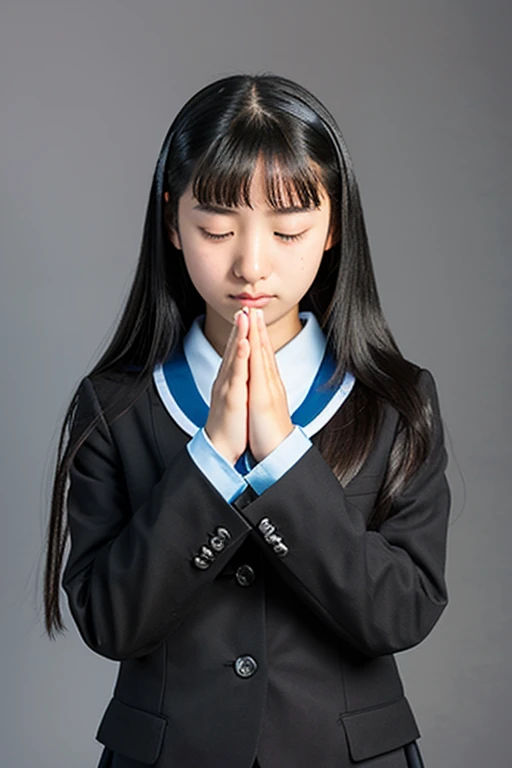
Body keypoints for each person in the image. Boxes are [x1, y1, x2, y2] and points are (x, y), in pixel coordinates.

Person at [43, 72, 451, 768]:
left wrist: (286, 458)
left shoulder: (396, 400)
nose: (251, 264)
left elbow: (403, 611)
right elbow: (109, 621)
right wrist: (210, 458)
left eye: (289, 230)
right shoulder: (115, 405)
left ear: (332, 232)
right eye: (217, 228)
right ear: (173, 222)